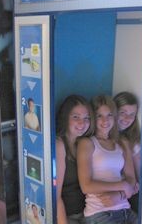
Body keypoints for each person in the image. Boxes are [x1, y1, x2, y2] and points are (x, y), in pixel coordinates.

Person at [77, 95, 138, 224]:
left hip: (126, 210)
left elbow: (131, 179)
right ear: (93, 118)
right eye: (100, 116)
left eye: (109, 115)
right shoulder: (87, 143)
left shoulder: (122, 142)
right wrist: (122, 185)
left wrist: (120, 195)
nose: (105, 120)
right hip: (100, 214)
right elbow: (86, 186)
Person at [56, 95, 94, 224]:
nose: (82, 123)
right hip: (70, 216)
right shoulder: (59, 145)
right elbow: (55, 197)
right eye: (75, 117)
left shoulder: (85, 143)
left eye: (86, 118)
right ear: (65, 118)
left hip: (91, 212)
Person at [113, 92, 141, 213]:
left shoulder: (133, 140)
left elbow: (139, 173)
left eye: (132, 114)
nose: (127, 119)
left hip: (128, 191)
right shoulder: (101, 136)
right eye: (123, 113)